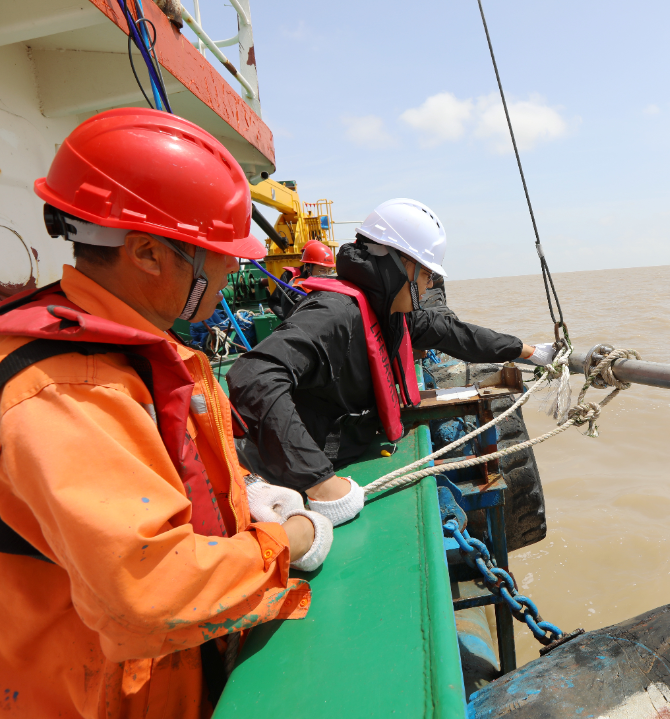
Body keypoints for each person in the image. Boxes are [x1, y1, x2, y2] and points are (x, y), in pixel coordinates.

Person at [0, 108, 333, 718]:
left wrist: (249, 491)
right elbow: (146, 589)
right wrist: (288, 540)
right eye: (217, 252)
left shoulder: (134, 346)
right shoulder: (69, 392)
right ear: (149, 253)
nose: (234, 267)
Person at [227, 198, 555, 525]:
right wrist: (320, 481)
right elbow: (254, 375)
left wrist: (528, 351)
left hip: (341, 451)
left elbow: (451, 332)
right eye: (426, 273)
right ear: (400, 267)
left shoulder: (388, 313)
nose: (429, 284)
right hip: (282, 482)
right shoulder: (334, 313)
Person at [267, 239, 336, 320]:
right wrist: (287, 319)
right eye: (322, 270)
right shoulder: (290, 277)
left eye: (329, 270)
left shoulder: (327, 281)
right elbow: (275, 301)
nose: (326, 274)